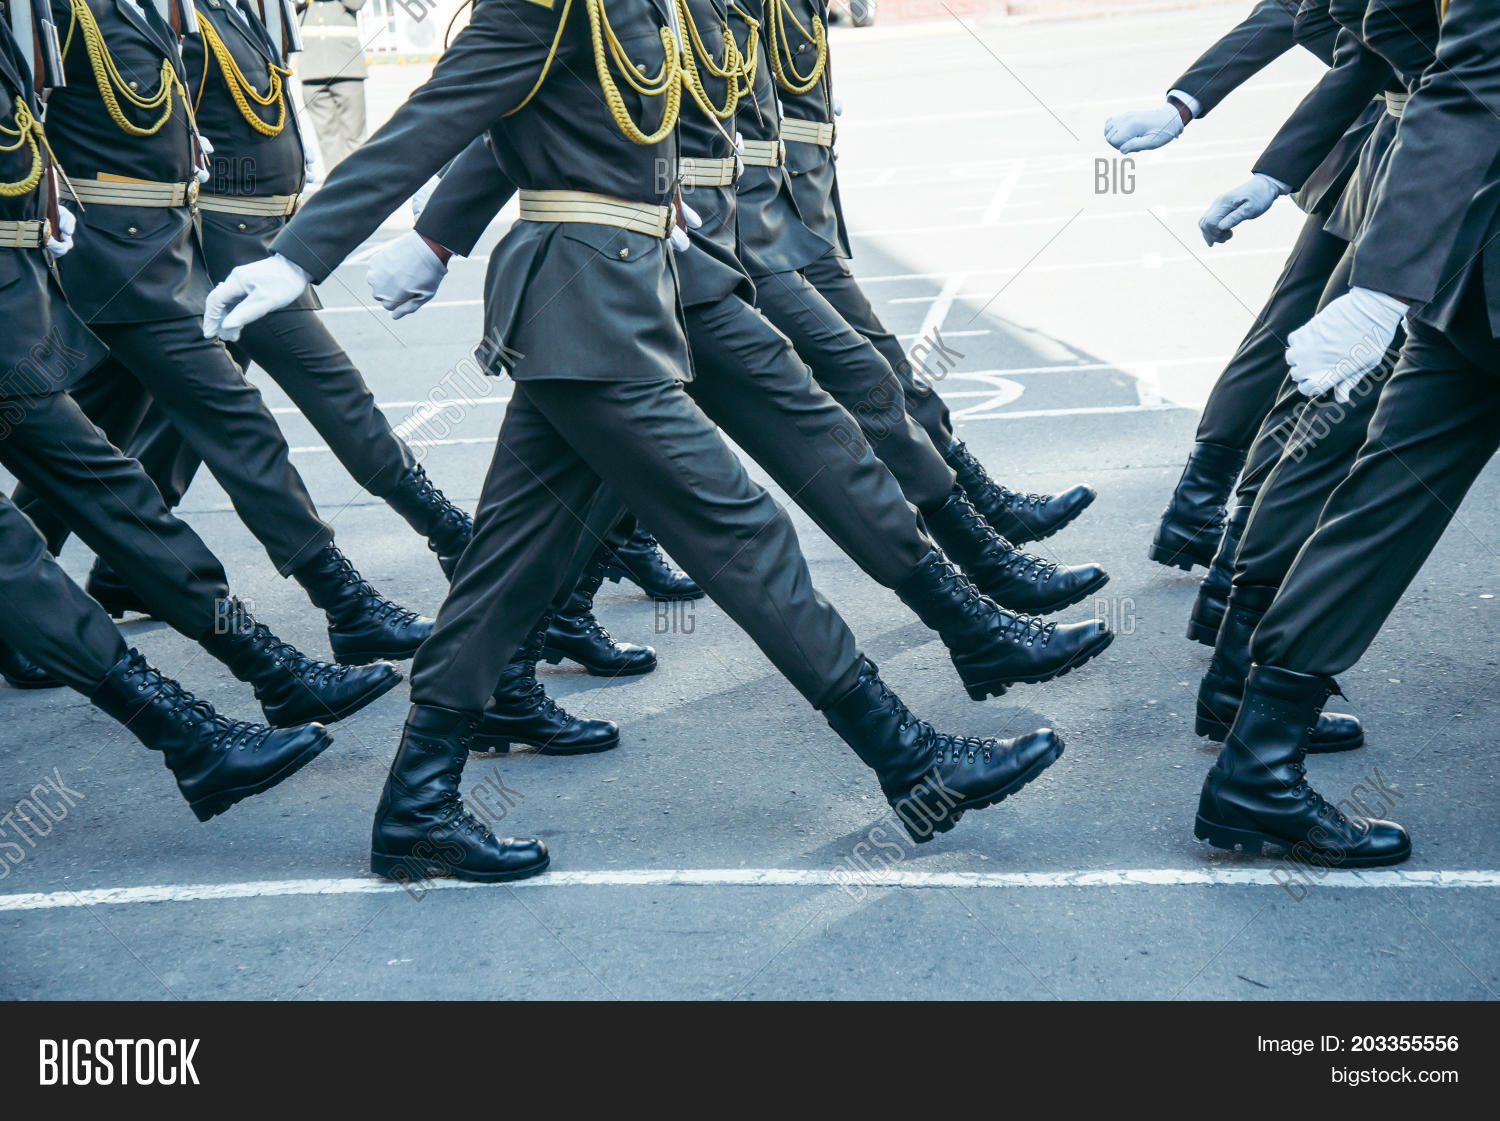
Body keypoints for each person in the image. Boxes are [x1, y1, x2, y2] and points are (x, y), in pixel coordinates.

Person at [204, 0, 1089, 883]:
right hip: (584, 306)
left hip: (655, 272)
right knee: (740, 527)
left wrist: (651, 188)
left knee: (520, 557)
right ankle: (910, 759)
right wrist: (302, 256)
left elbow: (604, 114)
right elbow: (443, 115)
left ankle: (414, 808)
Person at [13, 0, 432, 669]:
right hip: (117, 258)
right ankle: (345, 604)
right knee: (234, 422)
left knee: (80, 448)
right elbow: (31, 109)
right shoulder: (60, 9)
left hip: (163, 250)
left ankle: (38, 615)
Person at [1196, 0, 1488, 869]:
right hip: (1439, 226)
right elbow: (1435, 63)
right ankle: (1249, 730)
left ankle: (1255, 747)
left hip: (1460, 246)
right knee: (1344, 457)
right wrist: (1383, 283)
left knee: (1375, 500)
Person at [765, 0, 1096, 545]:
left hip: (798, 204)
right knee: (641, 419)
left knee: (881, 369)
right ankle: (596, 564)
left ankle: (980, 514)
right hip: (750, 221)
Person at [295, 0, 366, 170]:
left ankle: (360, 185)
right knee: (328, 139)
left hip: (347, 67)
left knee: (354, 137)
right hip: (312, 68)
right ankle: (339, 188)